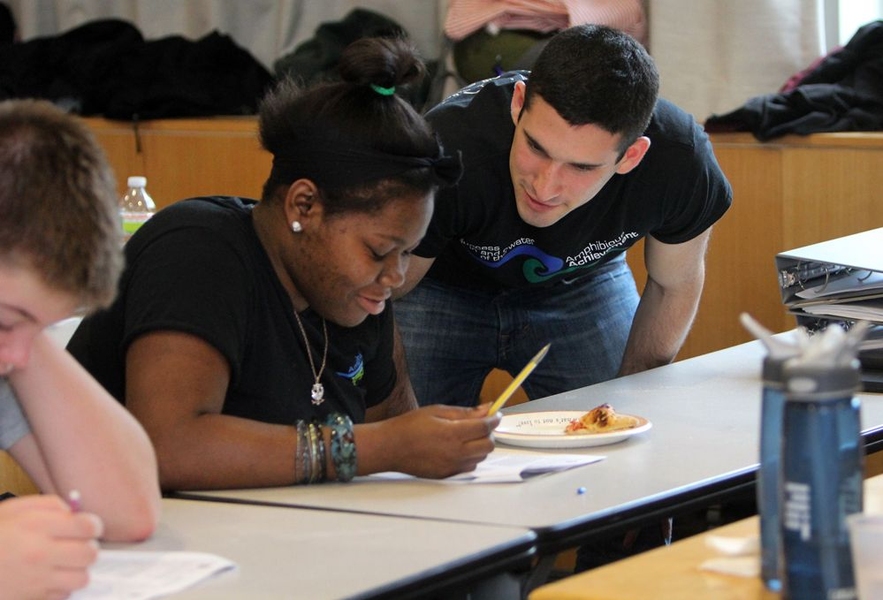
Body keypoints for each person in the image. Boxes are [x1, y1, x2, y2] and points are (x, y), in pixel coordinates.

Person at [67, 37, 500, 492]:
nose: (395, 276)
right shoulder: (197, 251)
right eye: (378, 251)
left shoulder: (358, 293)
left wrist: (439, 445)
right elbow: (169, 447)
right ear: (303, 206)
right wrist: (375, 448)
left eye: (408, 252)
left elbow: (398, 438)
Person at [394, 24, 732, 407]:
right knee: (407, 450)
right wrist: (399, 427)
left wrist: (623, 412)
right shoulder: (444, 147)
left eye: (582, 167)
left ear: (631, 156)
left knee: (622, 433)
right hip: (439, 286)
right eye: (536, 147)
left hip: (583, 283)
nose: (545, 186)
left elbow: (673, 286)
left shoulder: (679, 162)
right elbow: (383, 293)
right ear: (518, 103)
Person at [0, 99, 161, 599]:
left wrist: (27, 326)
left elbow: (126, 512)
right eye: (8, 324)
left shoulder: (13, 351)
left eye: (42, 328)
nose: (17, 357)